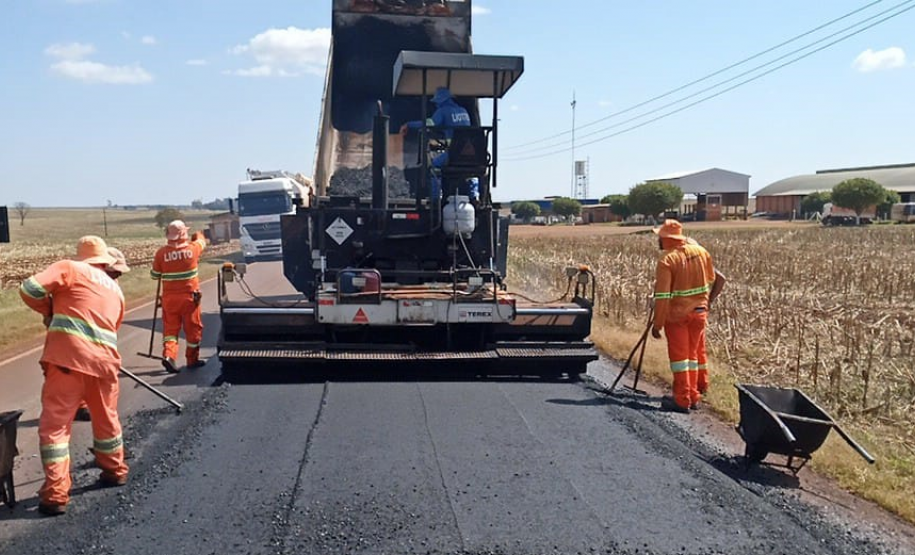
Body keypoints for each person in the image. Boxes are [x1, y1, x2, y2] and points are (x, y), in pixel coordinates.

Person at [19, 236, 130, 516]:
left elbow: (29, 288)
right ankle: (115, 470)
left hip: (69, 361)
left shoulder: (70, 268)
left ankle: (56, 494)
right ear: (104, 261)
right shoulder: (116, 290)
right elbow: (112, 326)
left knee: (55, 428)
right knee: (107, 419)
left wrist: (49, 309)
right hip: (105, 364)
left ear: (82, 256)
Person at [649, 220, 725, 413]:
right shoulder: (701, 252)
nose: (658, 240)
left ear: (667, 238)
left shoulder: (667, 260)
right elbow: (711, 278)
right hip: (699, 313)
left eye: (660, 237)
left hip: (678, 317)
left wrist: (657, 324)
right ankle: (693, 395)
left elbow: (663, 296)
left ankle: (682, 400)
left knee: (680, 360)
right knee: (692, 357)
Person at [74, 247, 132, 422]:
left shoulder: (112, 285)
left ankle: (87, 405)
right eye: (116, 271)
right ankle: (80, 407)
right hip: (74, 332)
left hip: (96, 335)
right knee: (78, 370)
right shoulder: (82, 278)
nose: (118, 275)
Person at [151, 220, 207, 373]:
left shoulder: (161, 253)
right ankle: (192, 360)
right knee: (193, 330)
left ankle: (169, 356)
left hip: (169, 299)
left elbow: (155, 275)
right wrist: (198, 235)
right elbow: (202, 242)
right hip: (190, 299)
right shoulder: (192, 249)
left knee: (170, 330)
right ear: (183, 234)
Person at [400, 87, 471, 197]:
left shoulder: (443, 111)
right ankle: (474, 196)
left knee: (434, 166)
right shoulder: (464, 111)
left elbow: (430, 123)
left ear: (440, 100)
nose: (436, 105)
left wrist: (409, 125)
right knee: (472, 170)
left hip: (453, 153)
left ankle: (436, 198)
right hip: (469, 154)